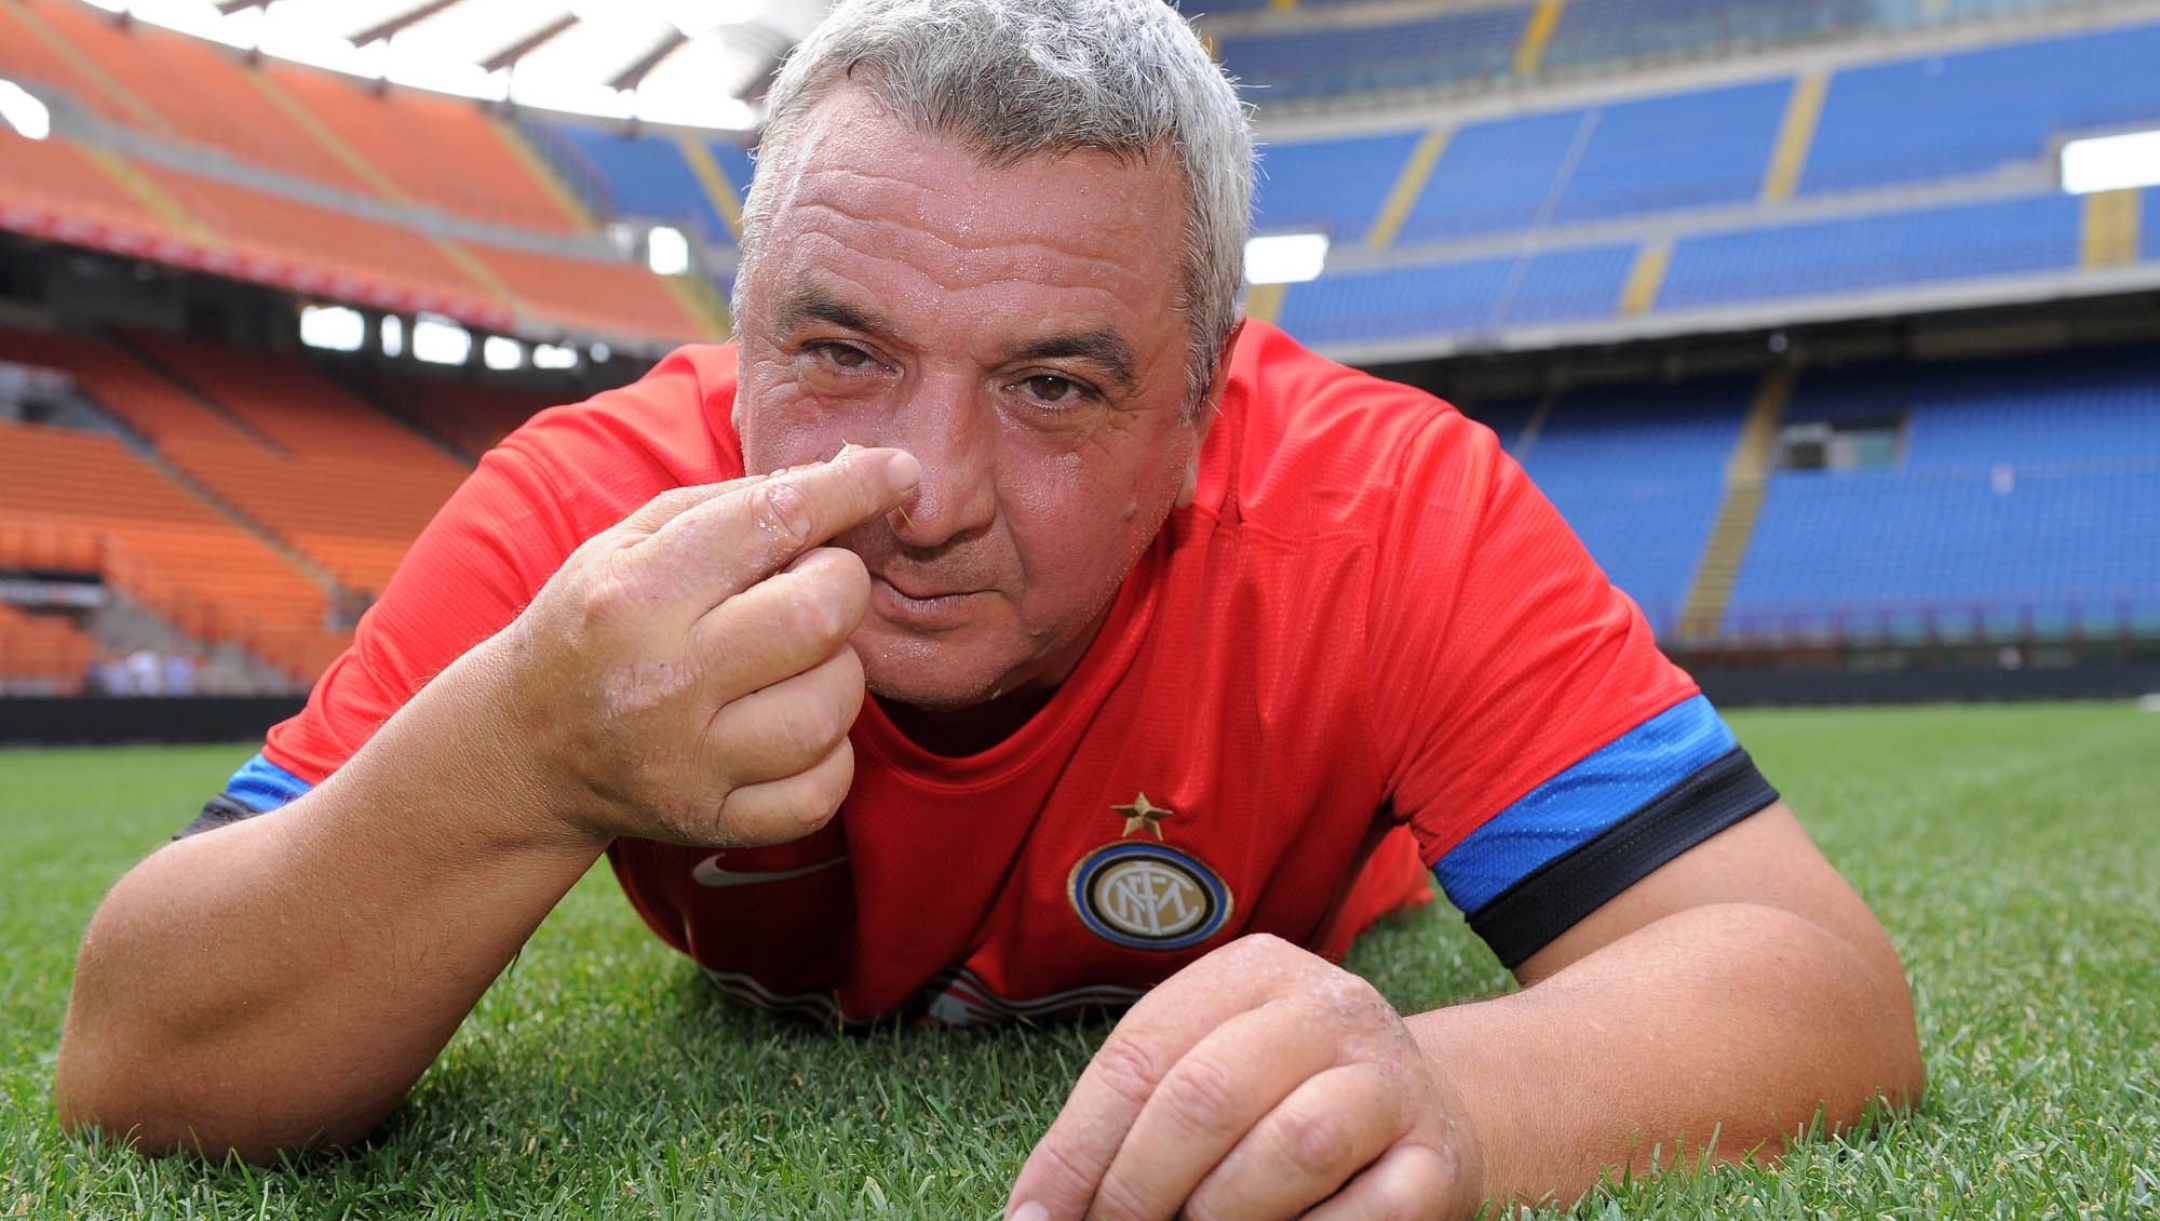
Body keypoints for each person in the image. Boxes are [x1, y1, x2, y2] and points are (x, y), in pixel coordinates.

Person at [54, 0, 1924, 1215]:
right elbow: (143, 1055)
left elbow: (1815, 981)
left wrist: (1446, 1083)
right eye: (842, 350)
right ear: (734, 340)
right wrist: (521, 752)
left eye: (1053, 387)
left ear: (1201, 409)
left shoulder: (1379, 505)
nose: (925, 496)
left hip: (1340, 919)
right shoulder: (596, 518)